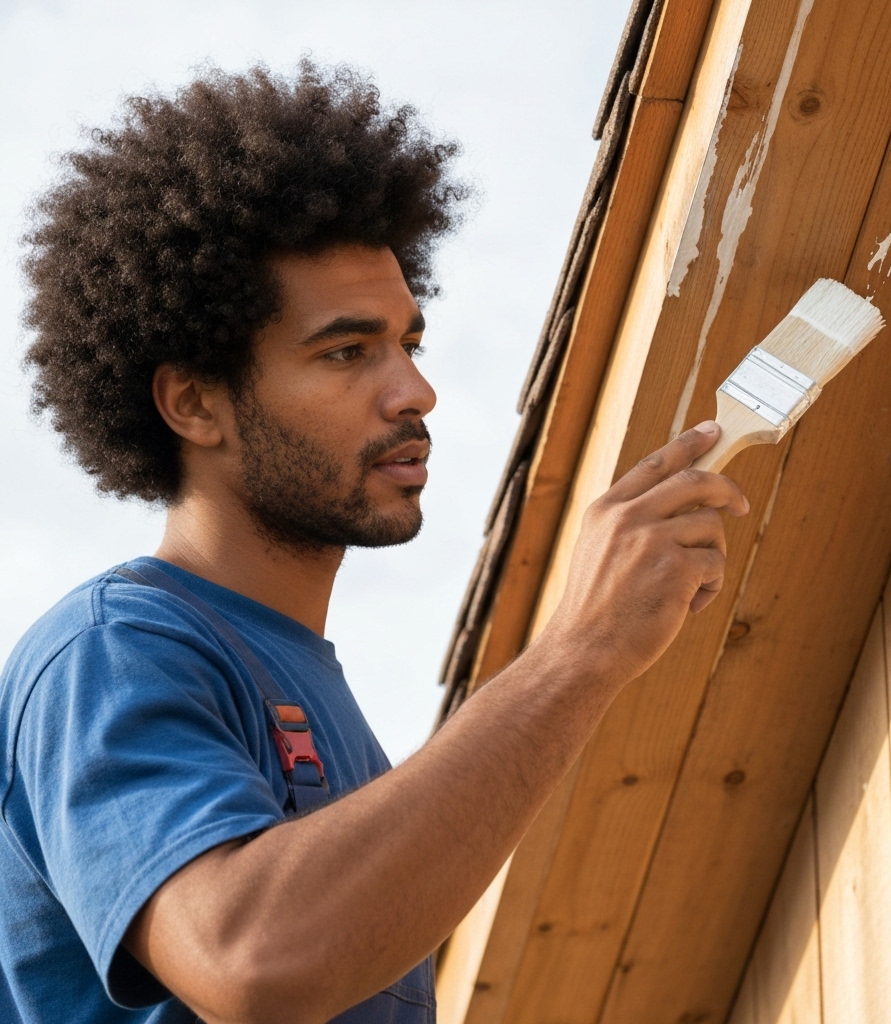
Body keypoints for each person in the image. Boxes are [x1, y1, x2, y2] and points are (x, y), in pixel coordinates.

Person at [0, 62, 749, 1024]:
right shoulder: (111, 650)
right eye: (347, 352)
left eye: (411, 345)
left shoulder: (334, 710)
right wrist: (578, 652)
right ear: (195, 402)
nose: (413, 393)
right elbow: (251, 959)